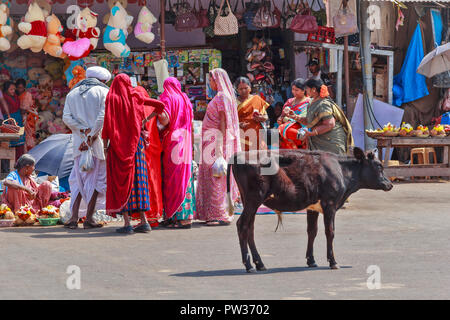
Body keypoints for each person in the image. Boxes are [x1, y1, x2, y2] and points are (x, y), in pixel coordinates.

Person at [102, 73, 165, 234]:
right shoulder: (135, 95)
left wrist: (104, 147)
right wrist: (143, 121)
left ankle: (127, 223)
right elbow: (160, 106)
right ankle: (144, 221)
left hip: (118, 148)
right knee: (139, 182)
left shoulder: (112, 98)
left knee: (122, 183)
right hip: (136, 147)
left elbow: (108, 126)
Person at [62, 66, 111, 230]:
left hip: (78, 143)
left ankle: (74, 217)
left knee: (77, 179)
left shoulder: (72, 93)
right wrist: (92, 134)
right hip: (96, 143)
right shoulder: (103, 92)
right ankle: (89, 218)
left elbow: (66, 118)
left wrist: (82, 130)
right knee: (97, 179)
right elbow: (103, 116)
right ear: (103, 80)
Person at [195, 68, 241, 226]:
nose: (210, 83)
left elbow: (223, 123)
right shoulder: (223, 97)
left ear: (218, 80)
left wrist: (220, 148)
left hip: (216, 143)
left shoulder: (222, 97)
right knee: (215, 176)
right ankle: (215, 212)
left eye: (211, 80)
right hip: (212, 142)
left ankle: (218, 214)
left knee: (217, 177)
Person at [158, 77, 196, 229]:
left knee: (172, 179)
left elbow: (165, 121)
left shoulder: (166, 97)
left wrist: (155, 113)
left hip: (172, 142)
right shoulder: (185, 98)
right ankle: (184, 217)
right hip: (185, 141)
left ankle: (175, 217)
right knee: (184, 177)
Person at [294, 78, 354, 155]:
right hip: (320, 141)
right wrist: (295, 117)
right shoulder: (312, 102)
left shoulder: (323, 104)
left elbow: (330, 124)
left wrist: (313, 133)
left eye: (307, 88)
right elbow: (309, 121)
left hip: (331, 142)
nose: (305, 90)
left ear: (313, 89)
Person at [235, 77, 269, 151]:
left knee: (260, 158)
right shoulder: (234, 102)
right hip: (242, 136)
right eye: (241, 89)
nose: (244, 90)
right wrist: (239, 124)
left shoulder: (256, 99)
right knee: (244, 159)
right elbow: (230, 121)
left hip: (257, 135)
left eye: (246, 88)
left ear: (250, 88)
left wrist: (261, 118)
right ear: (237, 90)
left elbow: (266, 116)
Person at [277, 78, 311, 149]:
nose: (294, 92)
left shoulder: (309, 102)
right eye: (293, 89)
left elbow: (309, 119)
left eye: (296, 90)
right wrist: (281, 118)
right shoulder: (289, 102)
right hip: (288, 130)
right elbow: (281, 117)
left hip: (302, 129)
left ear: (303, 90)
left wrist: (293, 118)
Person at [2, 81, 25, 159]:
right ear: (6, 89)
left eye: (14, 89)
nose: (13, 91)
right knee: (11, 142)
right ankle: (11, 162)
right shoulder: (3, 97)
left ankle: (19, 161)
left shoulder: (15, 96)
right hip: (9, 121)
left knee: (20, 142)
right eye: (11, 89)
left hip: (18, 120)